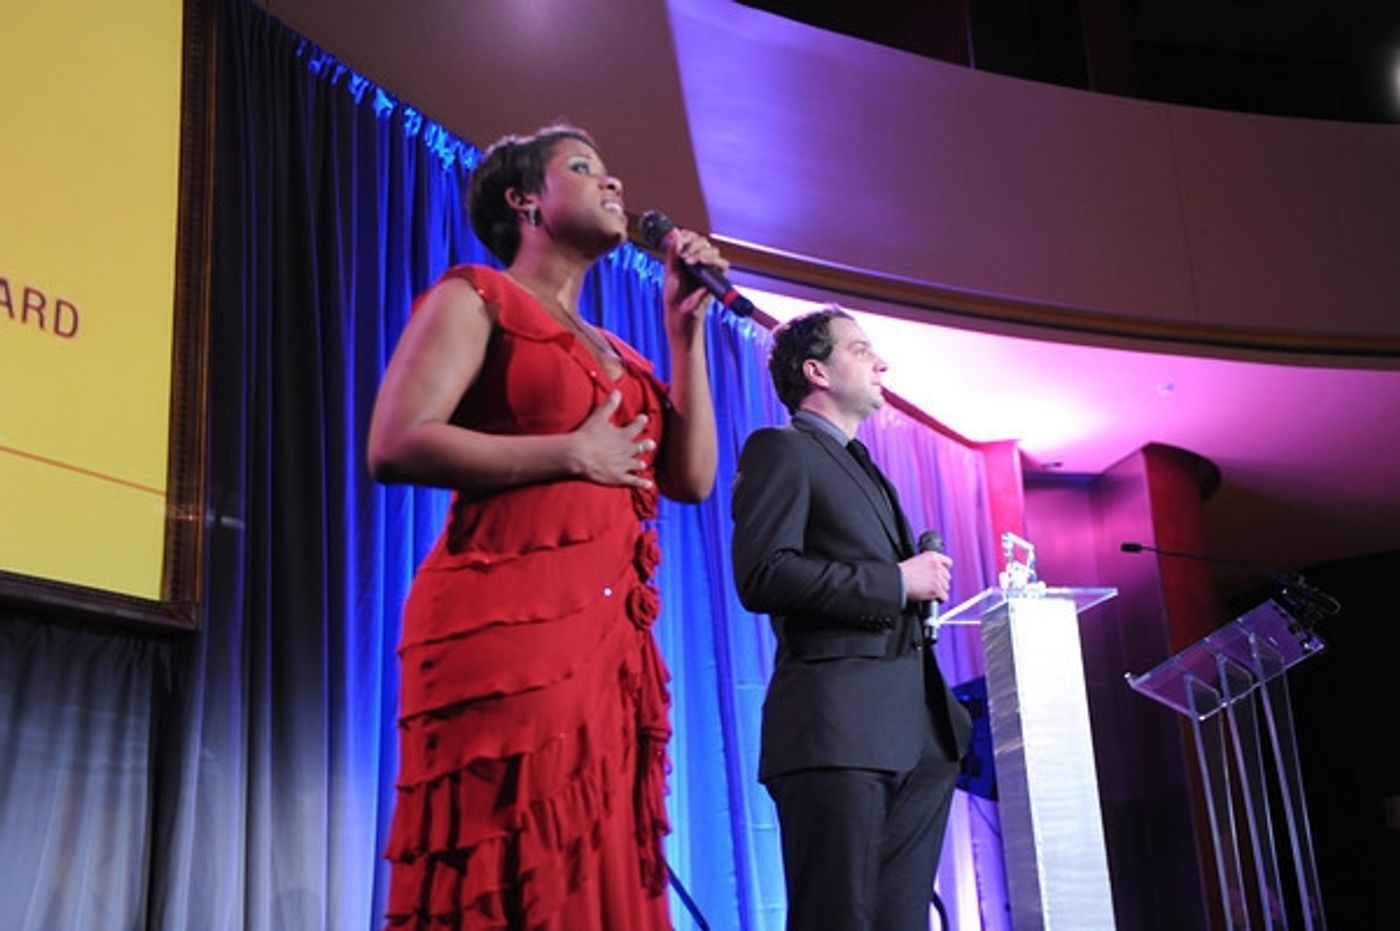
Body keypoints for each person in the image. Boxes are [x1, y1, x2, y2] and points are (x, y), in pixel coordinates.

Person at [368, 124, 723, 930]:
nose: (614, 182)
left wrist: (683, 333)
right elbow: (395, 442)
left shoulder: (629, 358)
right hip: (500, 633)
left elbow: (692, 479)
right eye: (584, 167)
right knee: (509, 872)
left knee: (595, 874)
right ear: (525, 199)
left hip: (606, 652)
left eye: (609, 167)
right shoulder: (476, 296)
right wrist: (570, 451)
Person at [730, 306, 972, 931]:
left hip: (914, 736)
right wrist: (896, 580)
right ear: (817, 371)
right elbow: (764, 574)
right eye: (861, 350)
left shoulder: (865, 467)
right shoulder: (781, 449)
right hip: (835, 732)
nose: (880, 362)